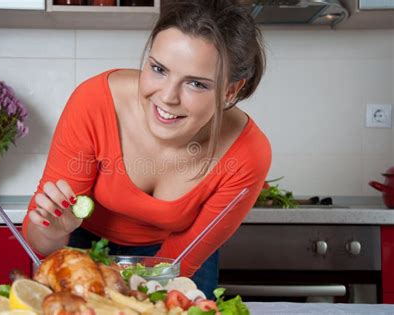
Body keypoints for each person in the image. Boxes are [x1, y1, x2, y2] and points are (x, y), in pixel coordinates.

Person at [23, 0, 271, 298]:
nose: (167, 97)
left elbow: (182, 259)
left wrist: (127, 300)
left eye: (196, 84)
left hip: (176, 260)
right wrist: (53, 231)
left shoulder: (248, 154)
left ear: (230, 90)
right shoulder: (94, 102)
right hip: (84, 243)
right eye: (158, 69)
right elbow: (39, 238)